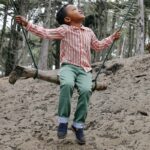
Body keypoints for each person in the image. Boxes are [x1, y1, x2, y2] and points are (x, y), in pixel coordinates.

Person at [16, 4, 121, 145]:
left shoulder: (88, 31)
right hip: (68, 67)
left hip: (85, 69)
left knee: (86, 90)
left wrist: (111, 38)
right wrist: (27, 24)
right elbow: (45, 33)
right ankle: (63, 121)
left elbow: (97, 46)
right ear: (67, 18)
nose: (80, 9)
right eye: (75, 10)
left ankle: (78, 125)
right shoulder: (64, 30)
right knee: (67, 84)